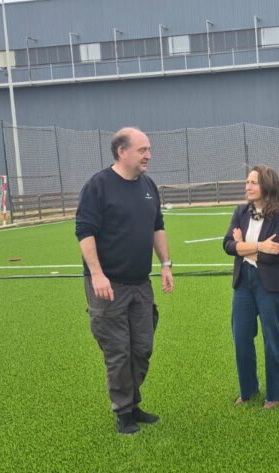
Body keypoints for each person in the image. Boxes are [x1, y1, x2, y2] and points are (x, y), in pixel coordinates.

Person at [75, 127, 174, 435]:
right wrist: (97, 274)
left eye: (149, 149)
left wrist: (166, 264)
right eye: (143, 150)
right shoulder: (98, 186)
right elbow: (85, 232)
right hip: (108, 285)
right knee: (118, 351)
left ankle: (133, 402)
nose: (149, 155)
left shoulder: (148, 186)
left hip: (140, 283)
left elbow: (157, 226)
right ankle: (123, 412)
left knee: (142, 347)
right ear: (122, 152)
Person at [223, 165, 279, 409]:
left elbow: (275, 254)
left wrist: (243, 246)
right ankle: (248, 389)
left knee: (272, 339)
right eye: (247, 182)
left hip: (269, 285)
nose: (248, 186)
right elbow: (228, 245)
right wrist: (260, 246)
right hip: (243, 283)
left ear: (267, 185)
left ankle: (275, 393)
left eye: (253, 182)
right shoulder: (241, 211)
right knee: (241, 336)